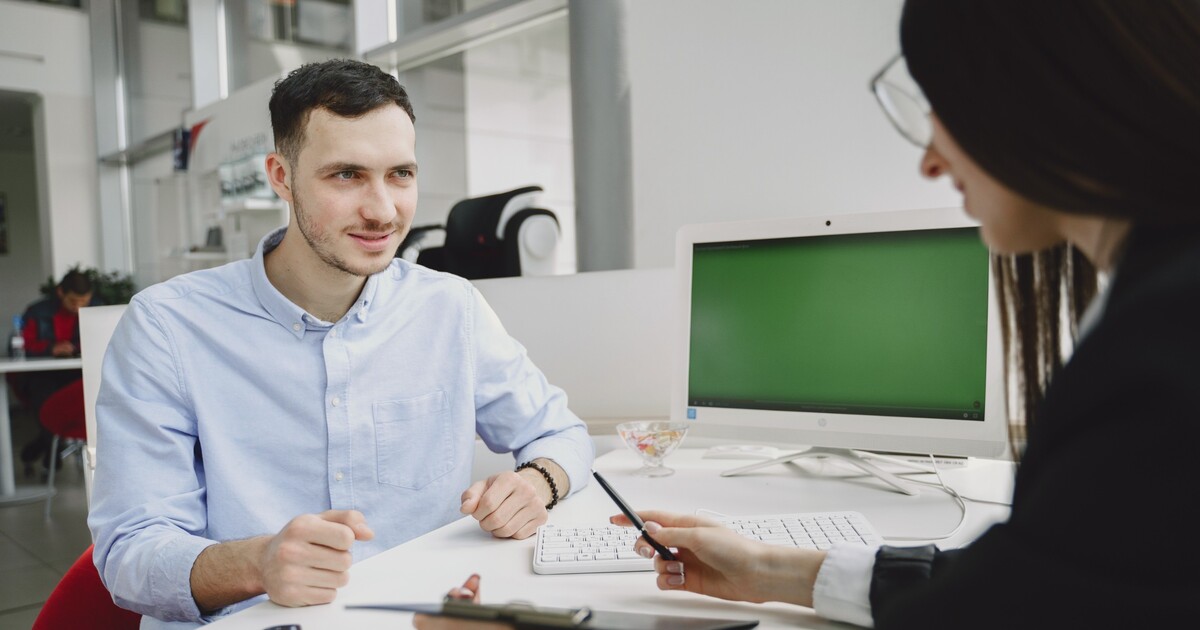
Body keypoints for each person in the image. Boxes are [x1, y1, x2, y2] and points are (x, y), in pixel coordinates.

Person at [440, 1, 1200, 628]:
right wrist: (778, 569)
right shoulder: (1153, 312)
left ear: (1046, 97)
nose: (931, 160)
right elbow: (1041, 586)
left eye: (945, 107)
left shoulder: (1158, 351)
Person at [88, 58, 594, 628]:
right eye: (346, 175)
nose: (382, 210)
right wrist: (257, 563)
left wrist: (537, 483)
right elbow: (129, 552)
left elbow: (561, 433)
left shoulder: (449, 308)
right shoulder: (167, 326)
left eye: (400, 174)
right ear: (281, 176)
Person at [16, 269, 100, 474]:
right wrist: (49, 348)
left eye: (84, 301)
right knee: (46, 405)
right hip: (45, 374)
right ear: (61, 293)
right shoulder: (37, 312)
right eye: (73, 301)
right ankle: (50, 456)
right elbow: (23, 346)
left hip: (78, 375)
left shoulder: (98, 310)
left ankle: (45, 452)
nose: (79, 306)